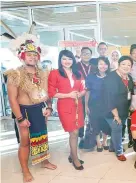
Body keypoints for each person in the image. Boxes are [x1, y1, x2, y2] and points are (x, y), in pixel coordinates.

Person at [5, 33, 57, 182]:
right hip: (24, 111)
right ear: (22, 56)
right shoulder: (15, 74)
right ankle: (25, 169)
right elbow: (12, 99)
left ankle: (44, 161)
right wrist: (20, 119)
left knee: (42, 137)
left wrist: (49, 107)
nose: (33, 57)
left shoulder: (43, 73)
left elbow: (47, 94)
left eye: (35, 55)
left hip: (40, 109)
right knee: (25, 141)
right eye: (29, 55)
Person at [48, 50, 85, 170]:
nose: (67, 61)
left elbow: (84, 89)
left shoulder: (78, 73)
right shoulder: (54, 73)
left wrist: (80, 94)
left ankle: (71, 154)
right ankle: (75, 158)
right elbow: (51, 93)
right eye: (64, 59)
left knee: (76, 131)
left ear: (73, 60)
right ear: (60, 60)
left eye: (69, 59)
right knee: (73, 132)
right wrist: (68, 95)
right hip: (64, 105)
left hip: (78, 105)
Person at [102, 56, 135, 161]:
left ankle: (112, 147)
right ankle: (119, 152)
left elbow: (131, 94)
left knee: (117, 129)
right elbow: (109, 98)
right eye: (123, 64)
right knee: (117, 128)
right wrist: (116, 115)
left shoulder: (129, 78)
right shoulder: (111, 78)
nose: (126, 67)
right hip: (111, 110)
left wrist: (131, 108)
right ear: (119, 65)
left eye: (129, 65)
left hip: (124, 110)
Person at [84, 57, 111, 152]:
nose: (103, 66)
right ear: (97, 65)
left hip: (107, 105)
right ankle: (98, 142)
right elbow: (87, 92)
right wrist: (86, 105)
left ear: (108, 65)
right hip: (94, 105)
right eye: (101, 64)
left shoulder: (111, 77)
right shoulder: (91, 77)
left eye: (105, 64)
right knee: (95, 124)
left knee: (106, 124)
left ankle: (104, 141)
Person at [77, 47, 96, 146]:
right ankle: (81, 136)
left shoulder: (94, 67)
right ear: (80, 55)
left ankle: (92, 136)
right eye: (84, 53)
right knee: (81, 116)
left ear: (91, 55)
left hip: (92, 95)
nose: (86, 55)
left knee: (92, 116)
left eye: (88, 54)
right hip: (80, 95)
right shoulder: (76, 66)